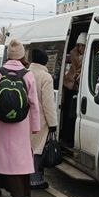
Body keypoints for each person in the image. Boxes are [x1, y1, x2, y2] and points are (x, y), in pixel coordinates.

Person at [0, 39, 40, 197]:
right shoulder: (28, 75)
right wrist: (35, 126)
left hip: (0, 123)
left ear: (8, 55)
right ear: (22, 55)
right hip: (21, 124)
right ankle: (18, 196)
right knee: (19, 159)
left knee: (0, 157)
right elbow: (34, 103)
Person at [28, 49, 58, 189]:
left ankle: (24, 178)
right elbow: (48, 103)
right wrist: (53, 123)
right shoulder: (46, 77)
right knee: (38, 150)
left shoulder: (26, 73)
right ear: (45, 61)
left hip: (25, 118)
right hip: (40, 120)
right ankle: (35, 180)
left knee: (27, 148)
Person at [62, 32, 87, 145]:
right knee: (70, 115)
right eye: (79, 45)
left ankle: (71, 140)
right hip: (71, 88)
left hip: (80, 90)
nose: (81, 47)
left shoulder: (88, 55)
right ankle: (67, 139)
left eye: (83, 45)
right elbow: (69, 72)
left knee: (75, 116)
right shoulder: (73, 55)